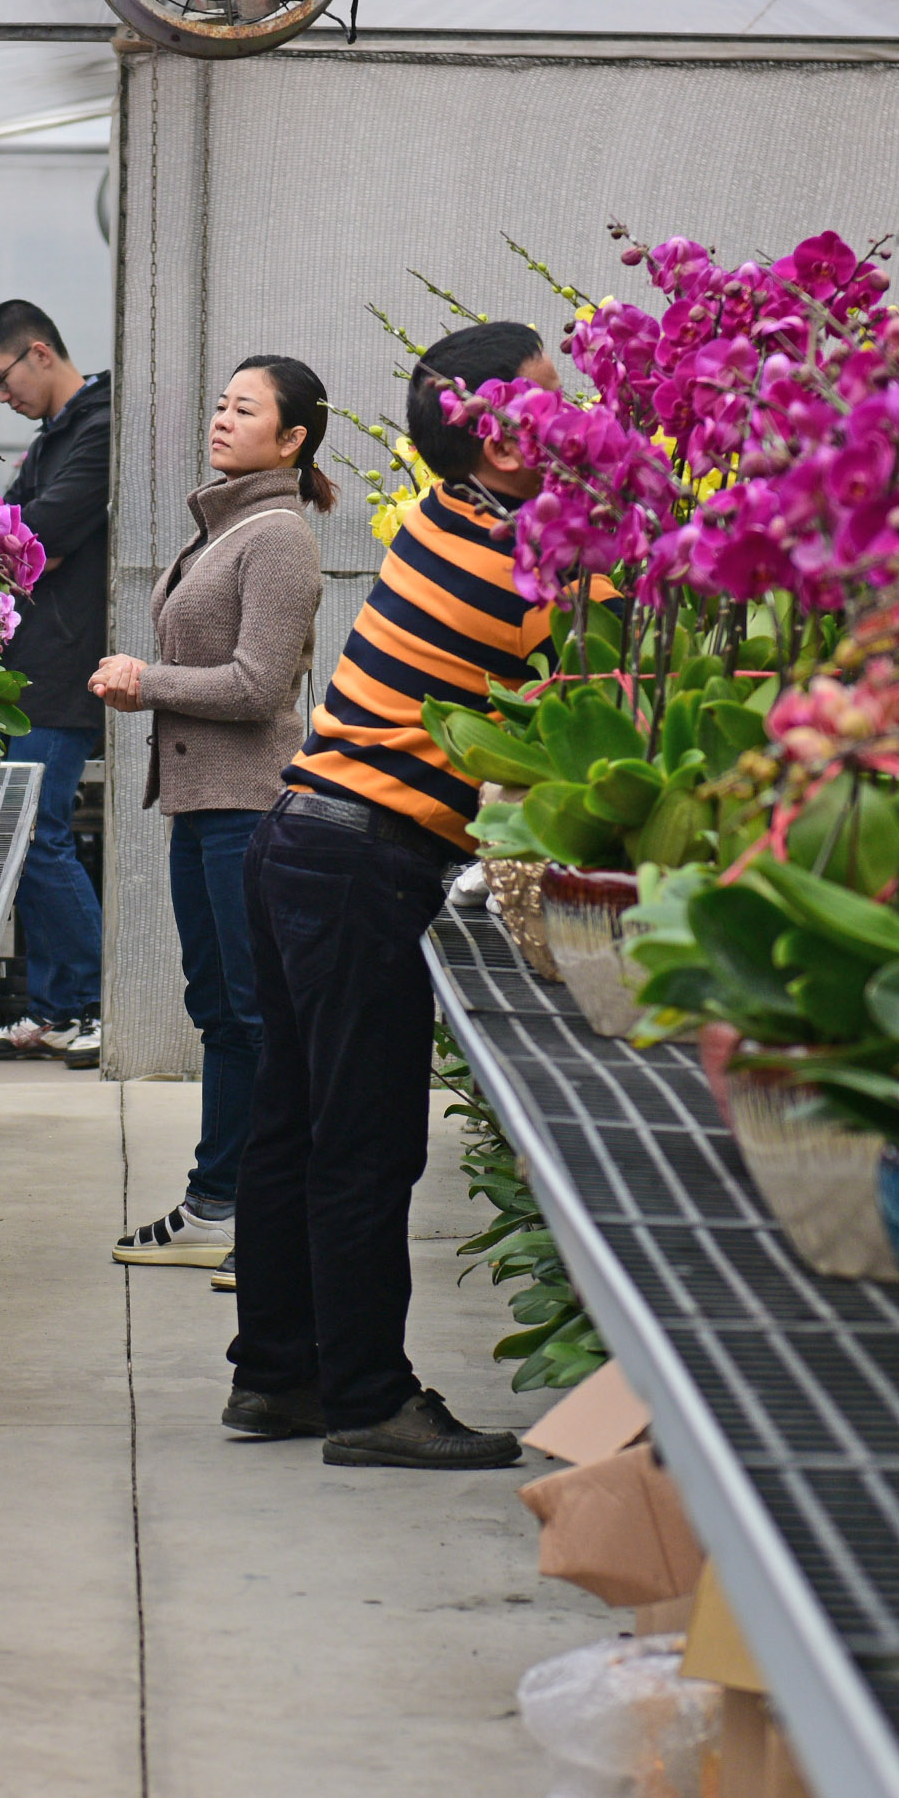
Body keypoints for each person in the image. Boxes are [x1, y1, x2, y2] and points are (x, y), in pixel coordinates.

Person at [228, 320, 561, 1470]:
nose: (572, 419)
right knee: (366, 1142)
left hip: (299, 842)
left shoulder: (436, 518)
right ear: (496, 435)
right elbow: (625, 656)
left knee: (293, 1123)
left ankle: (278, 1374)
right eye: (547, 399)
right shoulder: (520, 566)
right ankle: (369, 1397)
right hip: (364, 862)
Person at [89, 357, 329, 1274]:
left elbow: (260, 686)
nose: (222, 419)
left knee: (256, 1015)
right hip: (201, 808)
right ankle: (216, 1204)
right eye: (220, 403)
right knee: (221, 1013)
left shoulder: (276, 536)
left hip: (250, 807)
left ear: (293, 436)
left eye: (244, 408)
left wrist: (147, 682)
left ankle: (260, 1215)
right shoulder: (226, 525)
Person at [0, 299, 110, 1065]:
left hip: (63, 662)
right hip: (30, 665)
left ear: (37, 352)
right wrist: (20, 541)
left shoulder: (101, 424)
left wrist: (26, 542)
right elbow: (7, 530)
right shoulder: (61, 433)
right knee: (25, 835)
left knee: (36, 833)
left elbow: (36, 532)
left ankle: (93, 1003)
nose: (0, 398)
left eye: (0, 379)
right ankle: (55, 1007)